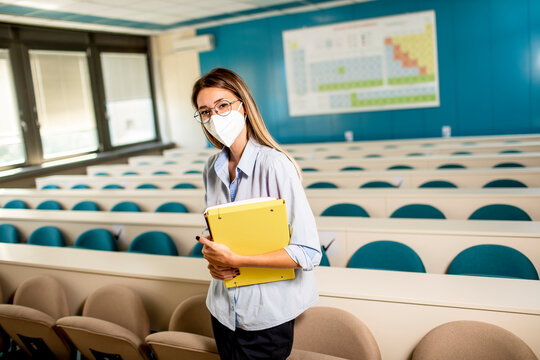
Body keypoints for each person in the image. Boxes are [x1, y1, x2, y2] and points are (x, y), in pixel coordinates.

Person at [192, 67, 321, 360]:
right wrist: (215, 263)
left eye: (223, 105)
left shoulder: (275, 165)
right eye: (205, 112)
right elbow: (220, 236)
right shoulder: (211, 168)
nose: (214, 117)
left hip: (266, 318)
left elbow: (308, 252)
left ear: (244, 106)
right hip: (223, 311)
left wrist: (237, 260)